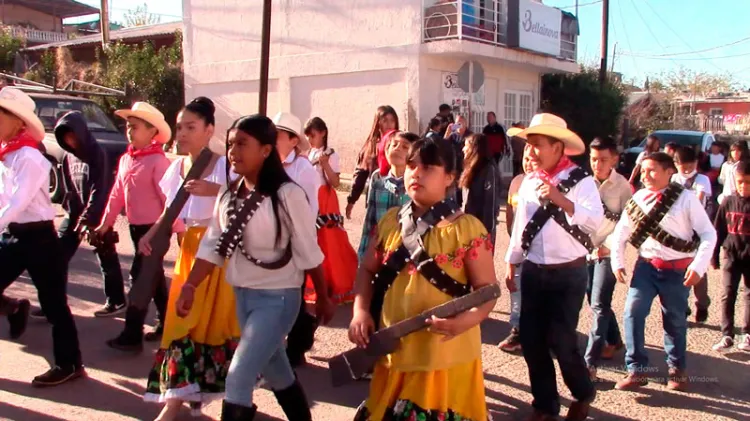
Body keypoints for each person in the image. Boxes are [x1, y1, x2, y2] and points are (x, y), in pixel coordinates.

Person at [175, 114, 334, 421]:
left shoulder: (287, 195)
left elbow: (308, 250)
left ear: (265, 150)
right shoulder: (229, 194)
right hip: (243, 296)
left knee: (238, 376)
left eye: (243, 144)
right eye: (231, 143)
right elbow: (212, 246)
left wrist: (324, 297)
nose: (234, 151)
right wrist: (190, 286)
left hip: (278, 298)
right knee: (277, 370)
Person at [349, 139, 498, 421]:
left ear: (450, 178)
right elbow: (366, 269)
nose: (416, 173)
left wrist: (462, 323)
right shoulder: (391, 221)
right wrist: (360, 311)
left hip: (442, 354)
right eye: (411, 165)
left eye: (428, 167)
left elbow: (487, 292)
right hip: (395, 349)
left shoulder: (466, 229)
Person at [137, 97, 241, 420]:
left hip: (219, 254)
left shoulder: (226, 166)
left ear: (209, 130)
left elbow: (248, 203)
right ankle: (174, 404)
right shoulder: (177, 168)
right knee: (180, 326)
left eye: (191, 127)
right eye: (180, 127)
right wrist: (151, 234)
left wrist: (216, 192)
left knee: (216, 327)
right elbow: (170, 212)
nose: (182, 133)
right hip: (189, 251)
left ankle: (232, 401)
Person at [505, 113, 601, 421]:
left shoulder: (581, 180)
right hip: (533, 270)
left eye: (537, 145)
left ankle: (583, 392)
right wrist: (512, 262)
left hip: (569, 273)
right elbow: (522, 227)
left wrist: (562, 200)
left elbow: (595, 221)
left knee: (561, 340)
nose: (530, 152)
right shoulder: (530, 181)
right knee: (532, 342)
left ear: (558, 147)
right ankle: (544, 405)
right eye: (528, 145)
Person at [611, 152, 716, 392]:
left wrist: (698, 266)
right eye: (644, 170)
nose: (646, 175)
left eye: (652, 170)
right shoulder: (638, 198)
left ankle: (677, 369)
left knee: (675, 321)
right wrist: (617, 262)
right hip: (646, 267)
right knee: (632, 313)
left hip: (677, 271)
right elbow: (621, 233)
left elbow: (709, 234)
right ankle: (637, 370)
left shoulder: (687, 199)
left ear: (670, 171)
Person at [0, 87, 84, 386]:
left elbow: (17, 201)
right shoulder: (6, 156)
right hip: (13, 235)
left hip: (40, 239)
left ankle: (69, 364)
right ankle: (13, 307)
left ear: (17, 121)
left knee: (53, 305)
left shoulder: (30, 157)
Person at [98, 101, 177, 352]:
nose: (129, 131)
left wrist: (181, 231)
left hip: (154, 231)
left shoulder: (158, 162)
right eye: (128, 127)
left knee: (140, 278)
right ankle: (167, 324)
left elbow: (171, 202)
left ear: (153, 132)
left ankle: (132, 335)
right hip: (135, 229)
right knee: (152, 278)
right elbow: (116, 194)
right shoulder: (126, 159)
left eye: (135, 127)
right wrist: (105, 223)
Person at [52, 111, 127, 317]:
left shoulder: (97, 153)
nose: (70, 140)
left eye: (72, 135)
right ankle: (52, 303)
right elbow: (69, 186)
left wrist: (90, 218)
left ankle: (117, 300)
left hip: (97, 214)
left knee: (106, 256)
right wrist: (71, 212)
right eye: (65, 137)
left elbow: (99, 188)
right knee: (58, 257)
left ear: (81, 133)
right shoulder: (68, 156)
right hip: (75, 213)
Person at [271, 111, 322, 368]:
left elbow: (309, 209)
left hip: (294, 242)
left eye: (278, 135)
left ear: (293, 140)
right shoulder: (265, 164)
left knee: (294, 297)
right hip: (268, 241)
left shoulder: (303, 169)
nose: (272, 139)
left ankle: (297, 345)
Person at [583, 137, 632, 380]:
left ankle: (589, 362)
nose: (597, 164)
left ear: (614, 159)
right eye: (593, 159)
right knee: (592, 299)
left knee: (600, 304)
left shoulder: (623, 186)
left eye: (603, 160)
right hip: (584, 250)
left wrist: (610, 247)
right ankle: (614, 340)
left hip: (608, 252)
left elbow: (628, 223)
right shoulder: (583, 182)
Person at [303, 117, 358, 305]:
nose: (310, 139)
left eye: (313, 135)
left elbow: (335, 183)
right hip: (310, 199)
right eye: (308, 136)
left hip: (325, 201)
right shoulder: (308, 153)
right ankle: (318, 285)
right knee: (313, 242)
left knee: (330, 241)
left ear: (323, 133)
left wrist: (325, 164)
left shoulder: (330, 154)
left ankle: (338, 284)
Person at [357, 131, 417, 259]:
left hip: (407, 256)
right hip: (379, 253)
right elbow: (369, 223)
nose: (397, 149)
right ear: (386, 150)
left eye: (405, 147)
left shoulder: (415, 188)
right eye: (394, 144)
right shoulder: (379, 185)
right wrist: (362, 256)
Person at [711, 159, 750, 352]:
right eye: (740, 181)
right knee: (727, 294)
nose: (743, 186)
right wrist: (714, 255)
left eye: (748, 182)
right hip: (731, 255)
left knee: (749, 295)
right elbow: (718, 229)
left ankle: (747, 334)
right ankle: (727, 334)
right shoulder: (728, 202)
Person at [672, 146, 713, 322]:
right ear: (676, 165)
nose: (687, 170)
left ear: (696, 163)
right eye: (683, 166)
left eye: (691, 165)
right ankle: (682, 306)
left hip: (696, 228)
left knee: (697, 269)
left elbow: (700, 198)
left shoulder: (702, 179)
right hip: (678, 229)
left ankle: (702, 303)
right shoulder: (673, 179)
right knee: (678, 269)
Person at [498, 144, 531, 353]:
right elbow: (510, 213)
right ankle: (517, 330)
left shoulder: (550, 186)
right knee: (516, 288)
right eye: (526, 158)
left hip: (539, 251)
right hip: (518, 246)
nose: (529, 162)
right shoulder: (517, 182)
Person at [346, 106, 399, 219]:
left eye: (392, 120)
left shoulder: (402, 143)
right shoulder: (371, 147)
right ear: (378, 123)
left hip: (399, 197)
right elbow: (360, 175)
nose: (389, 124)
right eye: (385, 121)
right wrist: (352, 200)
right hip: (377, 198)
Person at [460, 133, 502, 245]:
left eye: (466, 146)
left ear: (474, 148)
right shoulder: (469, 169)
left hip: (481, 228)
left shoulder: (488, 169)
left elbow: (490, 202)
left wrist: (487, 232)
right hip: (467, 225)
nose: (463, 149)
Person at [718, 140, 750, 205]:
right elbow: (722, 179)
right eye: (733, 150)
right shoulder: (726, 165)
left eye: (738, 151)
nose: (735, 153)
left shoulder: (745, 165)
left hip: (739, 196)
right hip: (726, 194)